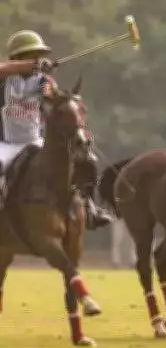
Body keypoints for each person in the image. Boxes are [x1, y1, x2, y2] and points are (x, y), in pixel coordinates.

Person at [0, 30, 112, 229]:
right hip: (6, 143)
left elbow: (51, 93)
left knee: (86, 161)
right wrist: (31, 66)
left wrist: (52, 87)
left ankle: (90, 207)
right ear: (17, 57)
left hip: (35, 141)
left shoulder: (43, 80)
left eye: (39, 55)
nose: (38, 59)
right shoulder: (5, 80)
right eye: (32, 55)